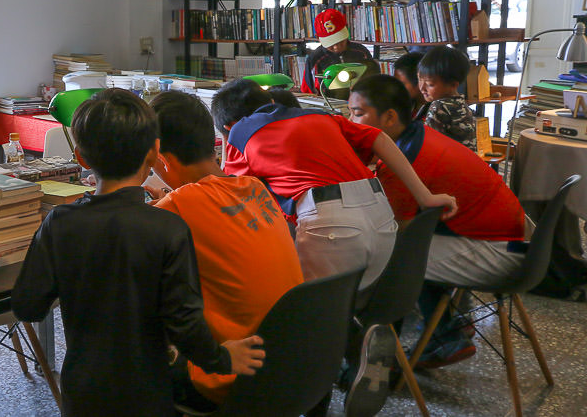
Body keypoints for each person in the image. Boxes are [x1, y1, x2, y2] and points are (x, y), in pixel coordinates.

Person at [212, 78, 457, 417]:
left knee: (302, 317)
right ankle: (358, 345)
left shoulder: (241, 133)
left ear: (228, 126)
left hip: (331, 226)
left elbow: (226, 190)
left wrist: (225, 149)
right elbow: (379, 139)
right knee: (335, 306)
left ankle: (323, 388)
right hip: (379, 217)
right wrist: (425, 196)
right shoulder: (318, 116)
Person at [12, 89, 265, 417]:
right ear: (154, 152)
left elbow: (28, 306)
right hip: (148, 393)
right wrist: (222, 358)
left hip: (83, 392)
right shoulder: (168, 228)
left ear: (82, 158)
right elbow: (184, 323)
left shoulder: (59, 223)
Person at [348, 75, 527, 369]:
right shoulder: (418, 134)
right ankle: (450, 324)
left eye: (357, 113)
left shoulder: (405, 161)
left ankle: (440, 338)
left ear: (390, 117)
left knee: (395, 255)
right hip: (512, 239)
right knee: (410, 246)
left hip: (503, 254)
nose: (350, 122)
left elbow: (398, 231)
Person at [147, 90, 304, 411]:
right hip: (295, 365)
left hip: (232, 376)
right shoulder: (254, 186)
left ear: (160, 157)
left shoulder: (175, 207)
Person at [300, 8, 377, 99]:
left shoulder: (361, 52)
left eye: (340, 41)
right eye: (331, 44)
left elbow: (374, 81)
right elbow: (308, 93)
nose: (336, 47)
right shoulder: (315, 59)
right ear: (318, 38)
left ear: (346, 29)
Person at [417, 45, 477, 151]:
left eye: (430, 84)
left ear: (453, 85)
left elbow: (428, 146)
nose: (422, 88)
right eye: (420, 80)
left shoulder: (439, 106)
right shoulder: (462, 104)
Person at [392, 51, 428, 121]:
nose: (397, 88)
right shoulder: (406, 105)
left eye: (401, 84)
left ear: (420, 82)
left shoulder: (436, 111)